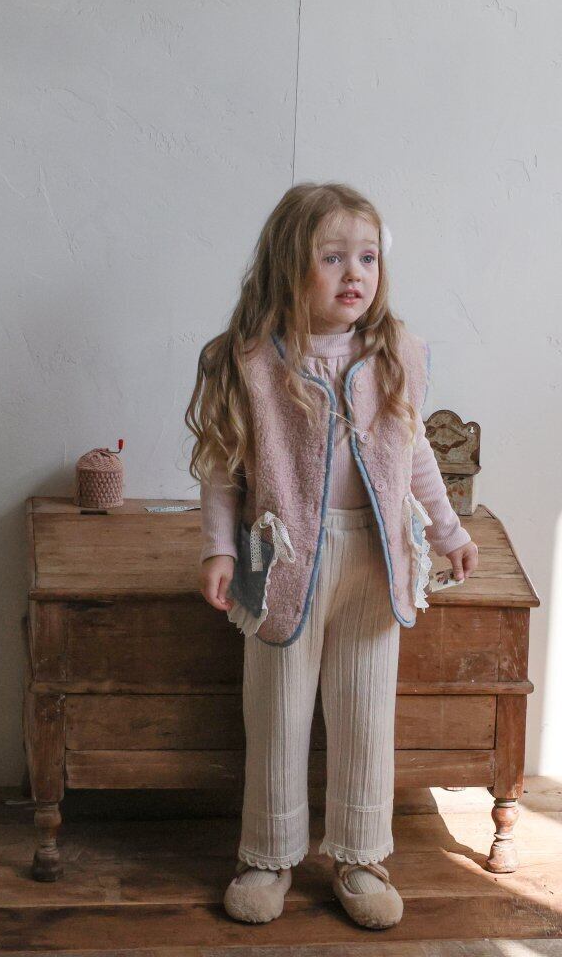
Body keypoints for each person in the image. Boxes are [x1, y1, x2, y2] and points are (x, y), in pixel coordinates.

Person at [184, 182, 479, 929]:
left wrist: (448, 533)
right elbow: (223, 466)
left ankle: (360, 855)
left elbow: (414, 456)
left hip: (377, 559)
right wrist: (218, 549)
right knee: (276, 711)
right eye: (333, 257)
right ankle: (268, 854)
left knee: (365, 712)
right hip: (280, 558)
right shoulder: (253, 361)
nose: (356, 273)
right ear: (288, 266)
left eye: (368, 258)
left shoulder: (394, 355)